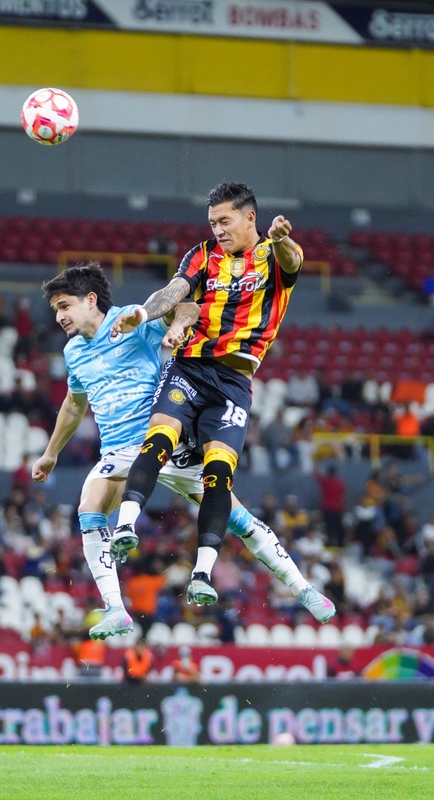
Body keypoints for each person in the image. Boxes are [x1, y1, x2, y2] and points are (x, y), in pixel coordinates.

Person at [33, 264, 333, 640]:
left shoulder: (131, 320)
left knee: (236, 518)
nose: (59, 316)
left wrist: (175, 327)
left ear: (90, 300)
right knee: (88, 508)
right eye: (55, 310)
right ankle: (116, 609)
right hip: (118, 450)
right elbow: (74, 405)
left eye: (64, 306)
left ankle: (302, 587)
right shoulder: (74, 351)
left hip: (164, 440)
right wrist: (51, 453)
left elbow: (189, 307)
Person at [108, 182, 304, 605]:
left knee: (219, 475)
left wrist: (282, 239)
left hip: (234, 382)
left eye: (225, 221)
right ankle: (124, 525)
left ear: (250, 217)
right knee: (159, 437)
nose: (217, 229)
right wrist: (142, 313)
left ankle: (202, 574)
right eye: (212, 222)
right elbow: (175, 292)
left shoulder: (274, 254)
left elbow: (293, 260)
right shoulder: (201, 255)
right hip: (191, 366)